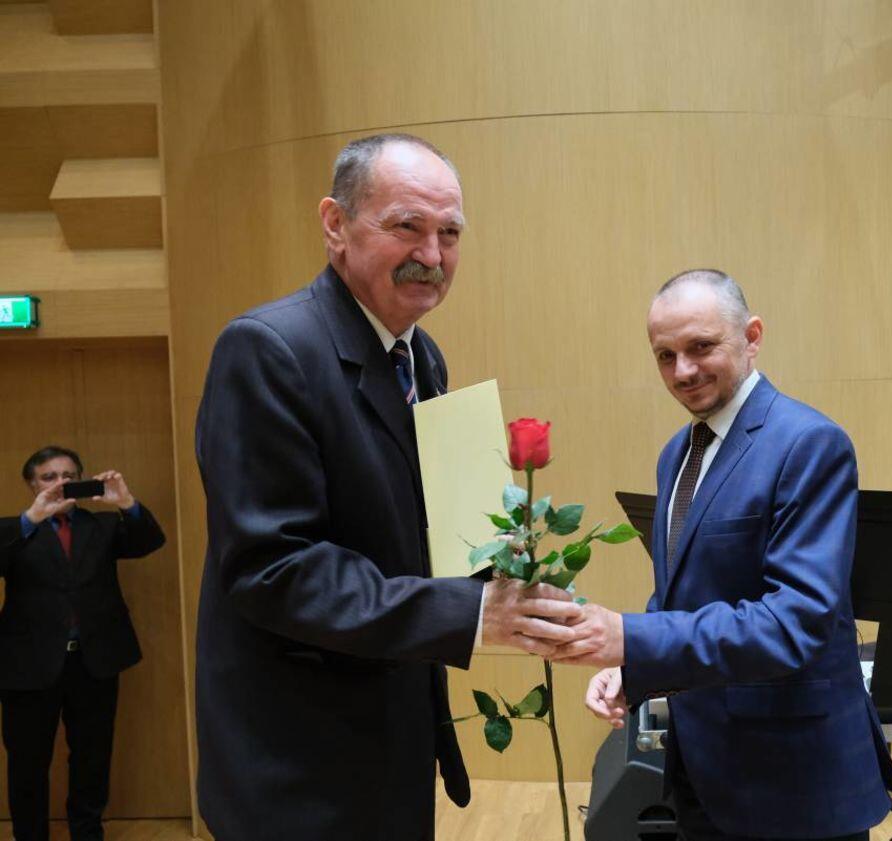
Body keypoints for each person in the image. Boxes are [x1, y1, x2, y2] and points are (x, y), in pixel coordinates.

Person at [194, 133, 584, 841]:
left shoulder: (420, 356)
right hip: (298, 765)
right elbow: (274, 569)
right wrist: (475, 611)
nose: (431, 255)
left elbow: (429, 529)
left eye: (450, 233)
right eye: (407, 226)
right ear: (335, 224)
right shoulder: (268, 349)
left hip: (389, 743)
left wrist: (519, 580)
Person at [553, 270, 892, 841]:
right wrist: (632, 669)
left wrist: (632, 638)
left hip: (795, 780)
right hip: (702, 770)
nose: (682, 371)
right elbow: (683, 594)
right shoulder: (676, 453)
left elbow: (794, 623)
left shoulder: (808, 443)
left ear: (752, 336)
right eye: (665, 356)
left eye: (701, 347)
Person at [0, 445, 164, 841]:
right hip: (28, 665)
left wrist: (126, 503)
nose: (60, 483)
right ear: (32, 484)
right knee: (27, 762)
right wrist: (31, 519)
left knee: (92, 758)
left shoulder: (102, 526)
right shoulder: (14, 529)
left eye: (69, 476)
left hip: (94, 662)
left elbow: (150, 541)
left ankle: (87, 834)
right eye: (49, 477)